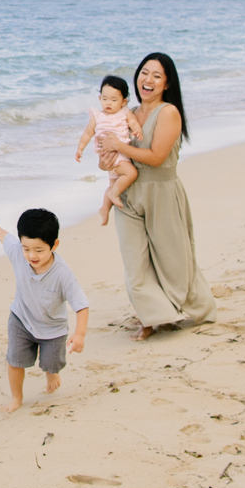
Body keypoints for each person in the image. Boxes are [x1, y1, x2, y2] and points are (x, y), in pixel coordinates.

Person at [95, 51, 215, 341]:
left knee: (174, 261)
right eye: (144, 72)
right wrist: (106, 157)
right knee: (135, 263)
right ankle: (151, 318)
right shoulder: (127, 114)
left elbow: (157, 157)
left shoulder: (169, 113)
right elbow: (107, 158)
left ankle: (200, 307)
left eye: (156, 75)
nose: (147, 80)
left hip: (161, 190)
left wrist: (118, 147)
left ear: (167, 84)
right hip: (128, 193)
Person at [0, 208, 89, 411]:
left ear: (54, 245)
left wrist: (79, 334)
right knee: (15, 360)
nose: (31, 255)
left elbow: (81, 305)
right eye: (26, 248)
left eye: (39, 250)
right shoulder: (18, 252)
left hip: (53, 327)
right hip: (21, 318)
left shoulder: (63, 274)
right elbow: (2, 234)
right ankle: (16, 398)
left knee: (51, 363)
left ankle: (52, 372)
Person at [75, 75, 142, 227]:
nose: (108, 103)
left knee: (112, 184)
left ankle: (105, 208)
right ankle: (114, 195)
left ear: (124, 101)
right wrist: (80, 149)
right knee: (131, 173)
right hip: (113, 156)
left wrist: (137, 130)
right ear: (100, 98)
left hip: (120, 152)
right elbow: (87, 133)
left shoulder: (124, 112)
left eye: (113, 100)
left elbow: (133, 122)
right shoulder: (97, 116)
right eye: (105, 99)